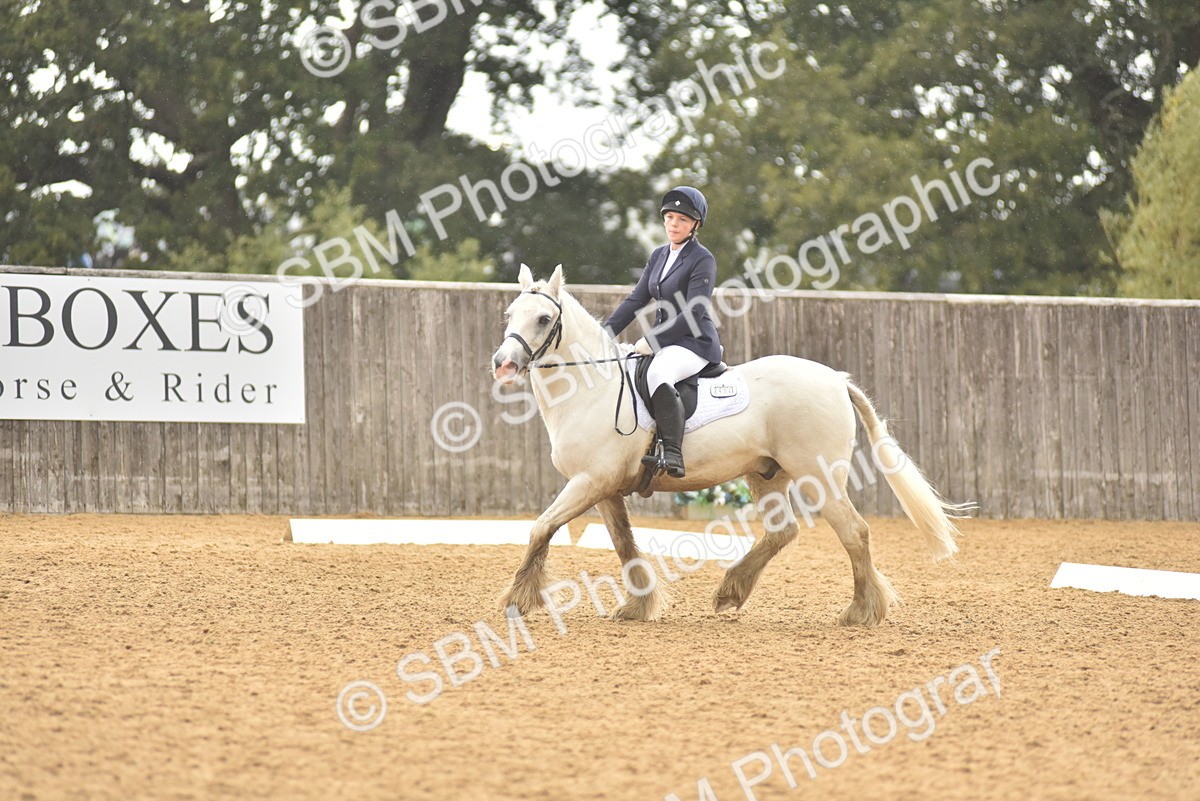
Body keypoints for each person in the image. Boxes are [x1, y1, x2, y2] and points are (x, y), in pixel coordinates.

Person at [603, 185, 722, 478]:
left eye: (682, 219)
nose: (673, 224)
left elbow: (694, 311)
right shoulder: (658, 255)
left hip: (694, 343)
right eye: (669, 217)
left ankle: (672, 454)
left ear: (695, 224)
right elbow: (636, 300)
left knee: (658, 373)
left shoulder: (702, 258)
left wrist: (654, 340)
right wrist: (604, 333)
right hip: (668, 343)